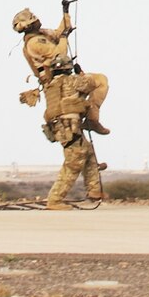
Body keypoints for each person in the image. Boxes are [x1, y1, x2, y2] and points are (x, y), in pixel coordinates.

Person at [13, 3, 109, 135]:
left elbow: (59, 32)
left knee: (98, 81)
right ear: (28, 25)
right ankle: (92, 118)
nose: (37, 19)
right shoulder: (35, 43)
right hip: (59, 80)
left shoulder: (41, 35)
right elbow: (59, 54)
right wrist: (64, 37)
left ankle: (90, 117)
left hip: (64, 77)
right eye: (33, 18)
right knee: (100, 81)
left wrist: (65, 12)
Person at [41, 73, 105, 211]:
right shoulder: (72, 80)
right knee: (75, 161)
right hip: (69, 126)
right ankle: (55, 200)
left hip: (61, 126)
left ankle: (94, 191)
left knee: (87, 151)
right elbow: (96, 82)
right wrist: (82, 74)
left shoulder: (51, 85)